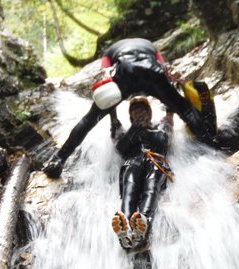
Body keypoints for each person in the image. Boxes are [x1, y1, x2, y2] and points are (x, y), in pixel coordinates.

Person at [43, 37, 214, 179]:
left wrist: (113, 121)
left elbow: (107, 77)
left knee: (89, 119)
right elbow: (165, 70)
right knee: (185, 110)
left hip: (125, 74)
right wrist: (172, 106)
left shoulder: (109, 52)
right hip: (152, 72)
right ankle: (209, 145)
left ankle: (59, 160)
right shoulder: (150, 47)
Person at [110, 97, 174, 249]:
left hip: (155, 161)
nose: (139, 113)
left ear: (149, 113)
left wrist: (170, 104)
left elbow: (165, 139)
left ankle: (143, 224)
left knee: (151, 189)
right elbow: (120, 148)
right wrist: (132, 129)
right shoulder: (126, 133)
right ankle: (125, 228)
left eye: (143, 110)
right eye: (135, 111)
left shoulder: (159, 127)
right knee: (129, 191)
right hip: (132, 162)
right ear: (131, 117)